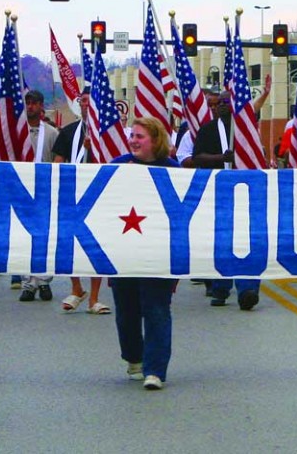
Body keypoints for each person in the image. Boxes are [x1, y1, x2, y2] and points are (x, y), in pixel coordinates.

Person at [109, 117, 180, 390]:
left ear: (155, 140)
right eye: (133, 136)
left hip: (158, 251)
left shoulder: (173, 170)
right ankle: (134, 358)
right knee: (126, 311)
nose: (134, 141)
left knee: (156, 309)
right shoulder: (118, 166)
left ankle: (155, 370)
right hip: (124, 251)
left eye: (140, 136)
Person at [191, 90, 260, 310]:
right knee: (222, 241)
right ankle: (220, 288)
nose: (221, 106)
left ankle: (247, 290)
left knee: (245, 240)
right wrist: (222, 158)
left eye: (226, 102)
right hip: (217, 190)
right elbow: (197, 157)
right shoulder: (208, 129)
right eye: (218, 103)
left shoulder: (245, 129)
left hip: (244, 191)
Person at [52, 93, 112, 315]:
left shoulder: (109, 133)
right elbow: (57, 164)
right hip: (72, 197)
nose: (85, 105)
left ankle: (94, 298)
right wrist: (82, 151)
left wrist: (94, 150)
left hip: (99, 197)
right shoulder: (68, 132)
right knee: (70, 245)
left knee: (95, 246)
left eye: (89, 100)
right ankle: (76, 288)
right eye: (82, 101)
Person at [18, 89, 60, 302]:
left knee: (45, 236)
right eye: (27, 103)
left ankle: (44, 281)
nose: (30, 107)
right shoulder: (17, 131)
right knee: (25, 237)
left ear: (41, 106)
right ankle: (28, 283)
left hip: (44, 190)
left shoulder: (51, 133)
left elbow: (57, 160)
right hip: (22, 190)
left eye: (34, 103)